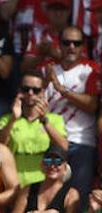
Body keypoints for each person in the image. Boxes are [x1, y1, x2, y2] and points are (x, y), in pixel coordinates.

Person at [44, 25, 98, 200]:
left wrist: (62, 90)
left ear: (83, 46)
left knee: (77, 200)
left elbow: (92, 106)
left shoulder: (91, 70)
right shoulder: (48, 69)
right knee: (49, 199)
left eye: (77, 43)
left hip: (82, 142)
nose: (71, 47)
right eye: (67, 42)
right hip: (51, 142)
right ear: (59, 45)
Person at [0, 72, 68, 188]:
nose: (30, 93)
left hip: (43, 184)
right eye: (26, 89)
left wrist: (44, 121)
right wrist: (13, 119)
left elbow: (64, 147)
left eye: (35, 90)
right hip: (13, 182)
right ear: (20, 92)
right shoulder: (7, 119)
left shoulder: (55, 119)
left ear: (42, 92)